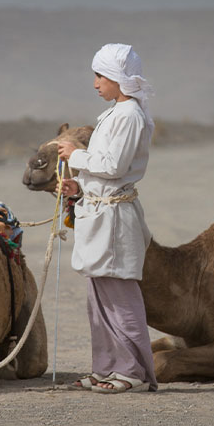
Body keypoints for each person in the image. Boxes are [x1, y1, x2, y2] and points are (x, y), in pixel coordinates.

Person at [57, 43, 158, 393]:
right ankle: (105, 369)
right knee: (98, 299)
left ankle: (133, 373)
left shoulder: (129, 115)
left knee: (119, 297)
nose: (96, 82)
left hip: (115, 218)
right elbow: (105, 170)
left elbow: (114, 167)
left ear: (117, 78)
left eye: (100, 75)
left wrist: (77, 155)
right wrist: (78, 187)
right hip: (99, 212)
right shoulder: (114, 114)